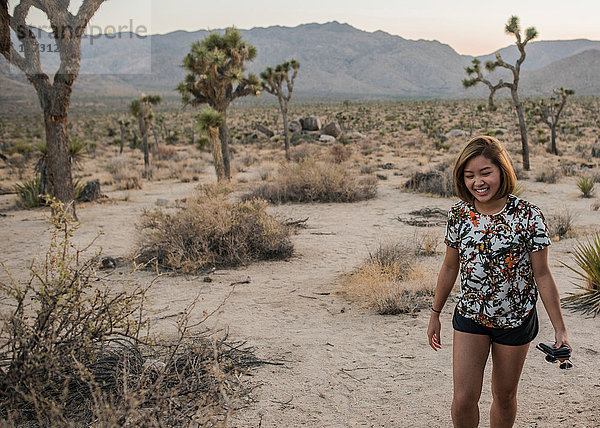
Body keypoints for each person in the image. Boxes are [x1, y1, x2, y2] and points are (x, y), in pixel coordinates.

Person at [426, 135, 571, 428]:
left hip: (516, 321)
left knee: (504, 396)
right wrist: (435, 313)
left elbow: (542, 274)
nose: (477, 182)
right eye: (469, 175)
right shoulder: (459, 215)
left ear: (502, 171)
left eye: (485, 172)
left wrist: (560, 329)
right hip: (471, 316)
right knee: (464, 399)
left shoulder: (528, 215)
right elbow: (450, 266)